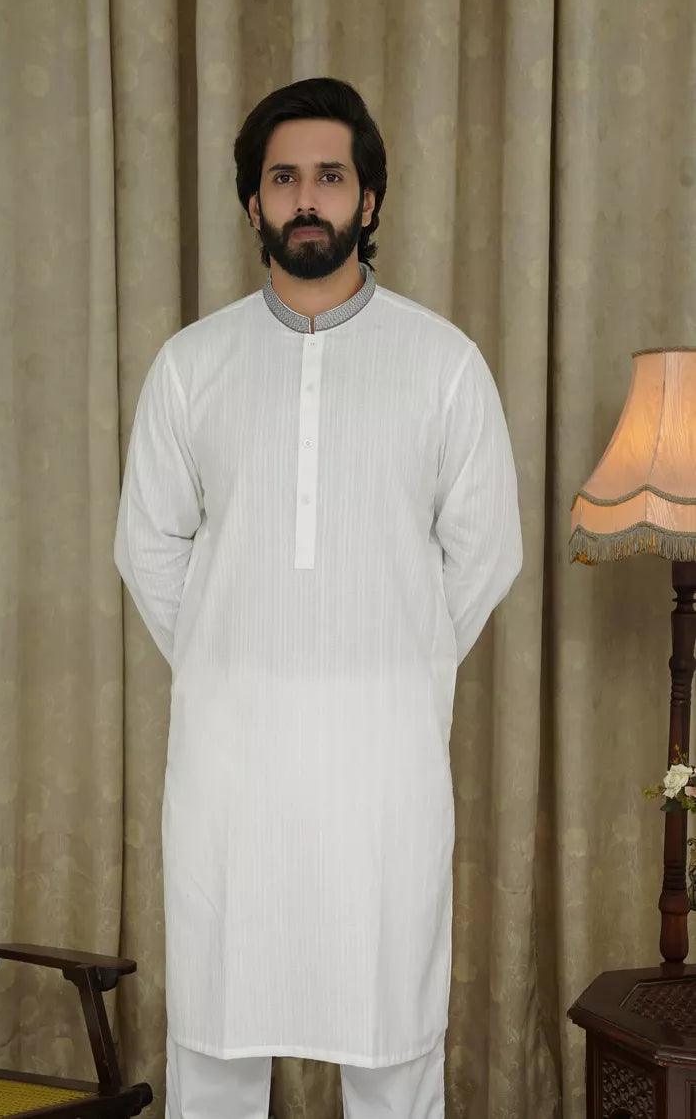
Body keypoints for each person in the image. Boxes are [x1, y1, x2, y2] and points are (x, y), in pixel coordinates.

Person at [114, 76, 522, 1119]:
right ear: (252, 202)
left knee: (389, 1038)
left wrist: (396, 658)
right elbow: (147, 545)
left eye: (329, 177)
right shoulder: (191, 365)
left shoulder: (442, 363)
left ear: (367, 199)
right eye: (283, 177)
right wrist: (230, 653)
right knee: (215, 1038)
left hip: (382, 767)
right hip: (229, 766)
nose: (306, 198)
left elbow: (483, 552)